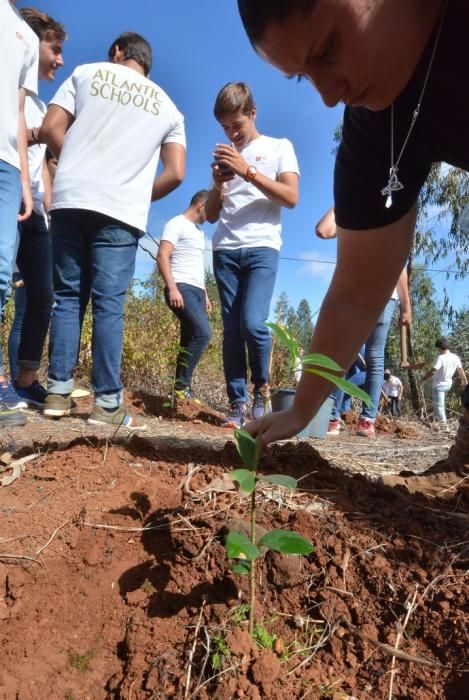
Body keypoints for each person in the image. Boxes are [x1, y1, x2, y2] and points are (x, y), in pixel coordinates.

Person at [236, 0, 469, 489]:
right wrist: (302, 408)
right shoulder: (374, 129)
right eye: (304, 76)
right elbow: (357, 290)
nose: (327, 96)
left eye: (328, 49)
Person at [40, 31, 186, 428]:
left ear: (118, 52)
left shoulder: (86, 74)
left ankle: (57, 392)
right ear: (147, 64)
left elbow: (51, 126)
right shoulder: (169, 108)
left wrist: (78, 166)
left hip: (71, 198)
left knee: (68, 296)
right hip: (121, 210)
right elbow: (176, 173)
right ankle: (106, 404)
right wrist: (135, 193)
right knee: (109, 303)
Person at [205, 81, 299, 427]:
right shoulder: (226, 157)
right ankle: (237, 402)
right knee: (231, 330)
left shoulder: (279, 147)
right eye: (226, 128)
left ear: (253, 114)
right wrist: (218, 184)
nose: (233, 134)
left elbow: (290, 197)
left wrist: (248, 170)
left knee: (253, 324)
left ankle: (262, 387)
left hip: (262, 247)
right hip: (225, 249)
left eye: (238, 126)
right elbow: (212, 214)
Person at [7, 7, 66, 408]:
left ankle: (26, 379)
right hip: (7, 193)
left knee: (45, 295)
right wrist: (29, 134)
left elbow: (45, 167)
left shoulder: (43, 108)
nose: (59, 60)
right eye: (55, 49)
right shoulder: (9, 92)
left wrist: (48, 205)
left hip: (35, 212)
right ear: (31, 40)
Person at [317, 207, 411, 438]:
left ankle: (362, 419)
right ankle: (334, 416)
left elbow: (399, 267)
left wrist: (405, 306)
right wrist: (342, 201)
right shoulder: (368, 216)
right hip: (353, 295)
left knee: (372, 357)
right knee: (345, 357)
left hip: (380, 298)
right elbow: (323, 230)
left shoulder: (377, 217)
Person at [0, 0, 39, 427]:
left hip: (8, 166)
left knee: (0, 278)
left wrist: (24, 180)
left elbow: (17, 110)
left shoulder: (25, 35)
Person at [157, 190, 211, 400]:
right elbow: (162, 256)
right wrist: (172, 287)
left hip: (196, 290)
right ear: (201, 206)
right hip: (181, 287)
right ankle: (182, 386)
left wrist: (205, 293)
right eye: (212, 207)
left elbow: (197, 264)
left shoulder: (199, 232)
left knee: (189, 338)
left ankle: (179, 389)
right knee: (203, 334)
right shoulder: (175, 223)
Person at [422, 338, 467, 426]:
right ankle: (436, 422)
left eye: (437, 349)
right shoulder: (455, 357)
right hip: (448, 384)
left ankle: (444, 426)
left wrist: (424, 378)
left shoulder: (441, 358)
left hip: (439, 386)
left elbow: (433, 370)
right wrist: (465, 382)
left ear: (439, 348)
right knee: (438, 404)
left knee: (439, 407)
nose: (437, 350)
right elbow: (461, 371)